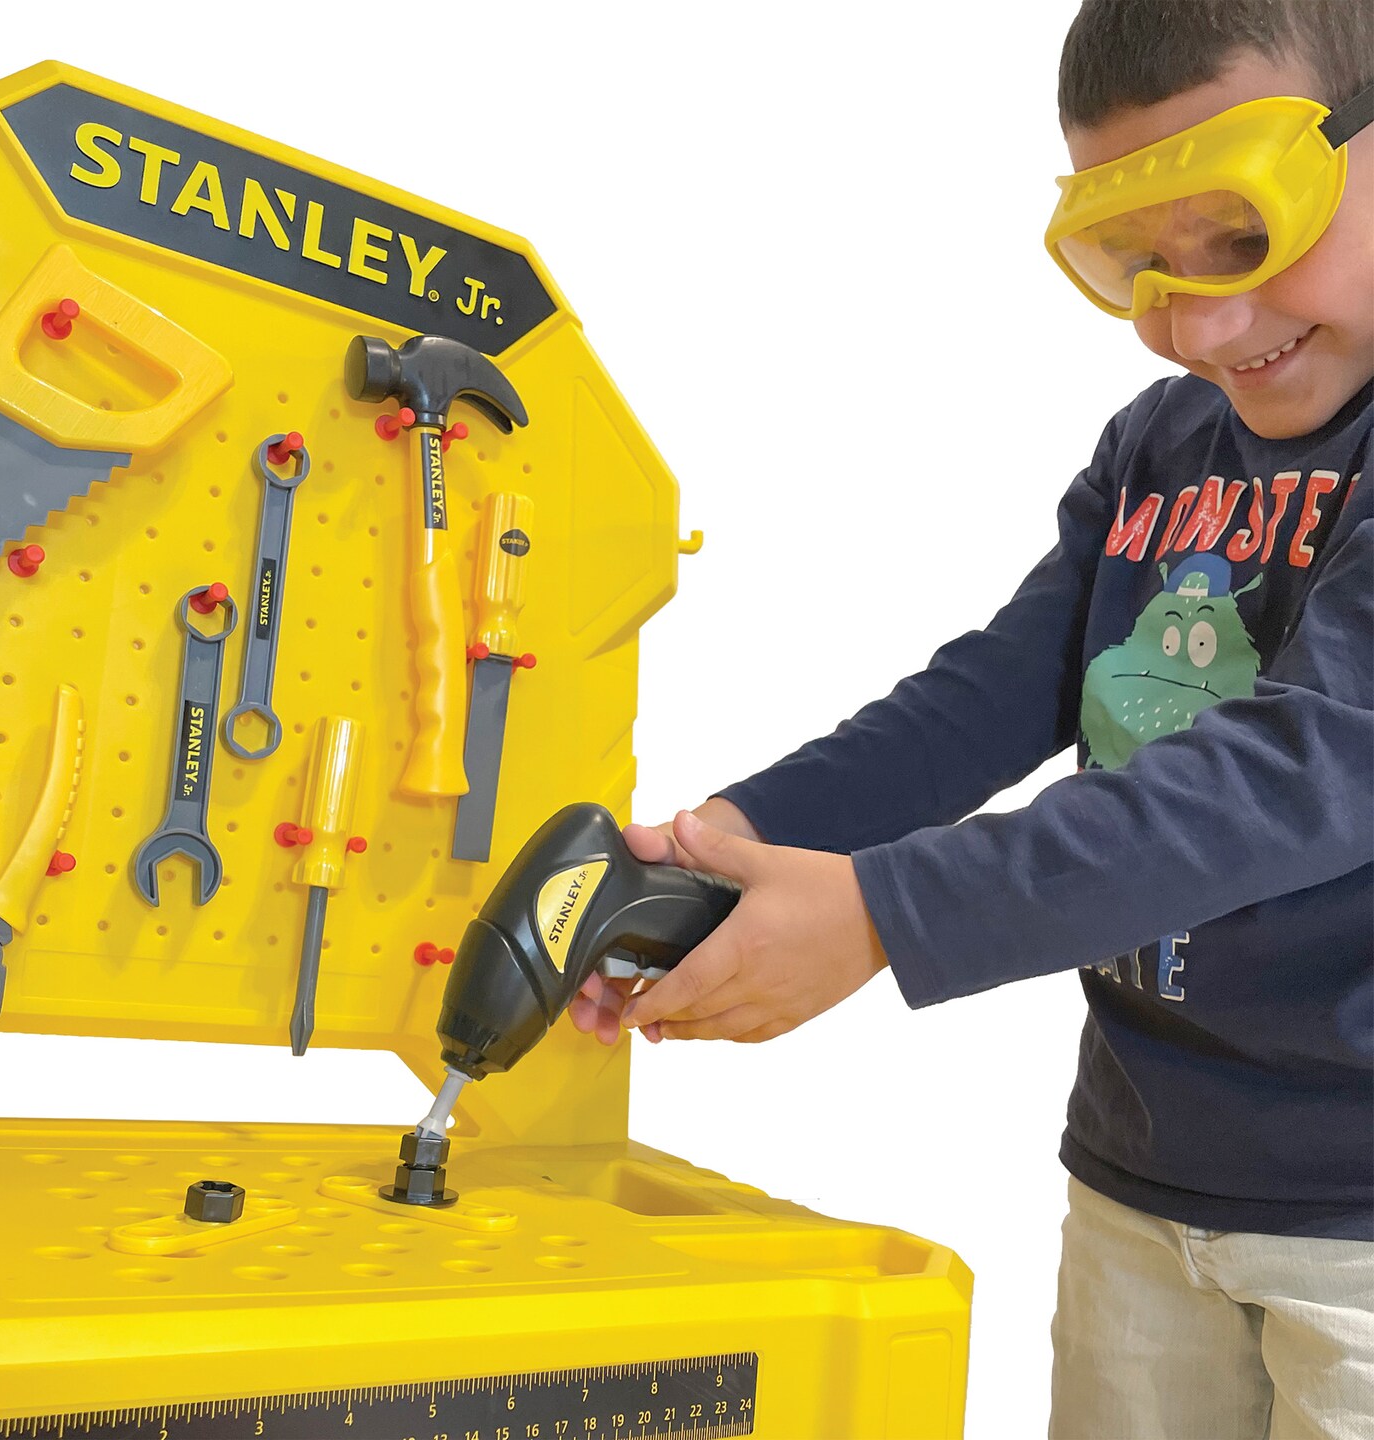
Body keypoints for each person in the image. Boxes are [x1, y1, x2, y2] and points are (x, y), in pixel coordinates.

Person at [569, 2, 1373, 1435]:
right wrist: (718, 848)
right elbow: (996, 692)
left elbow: (1299, 774)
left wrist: (882, 915)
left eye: (1248, 234)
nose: (1201, 323)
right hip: (1142, 1174)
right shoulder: (1160, 448)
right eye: (1140, 265)